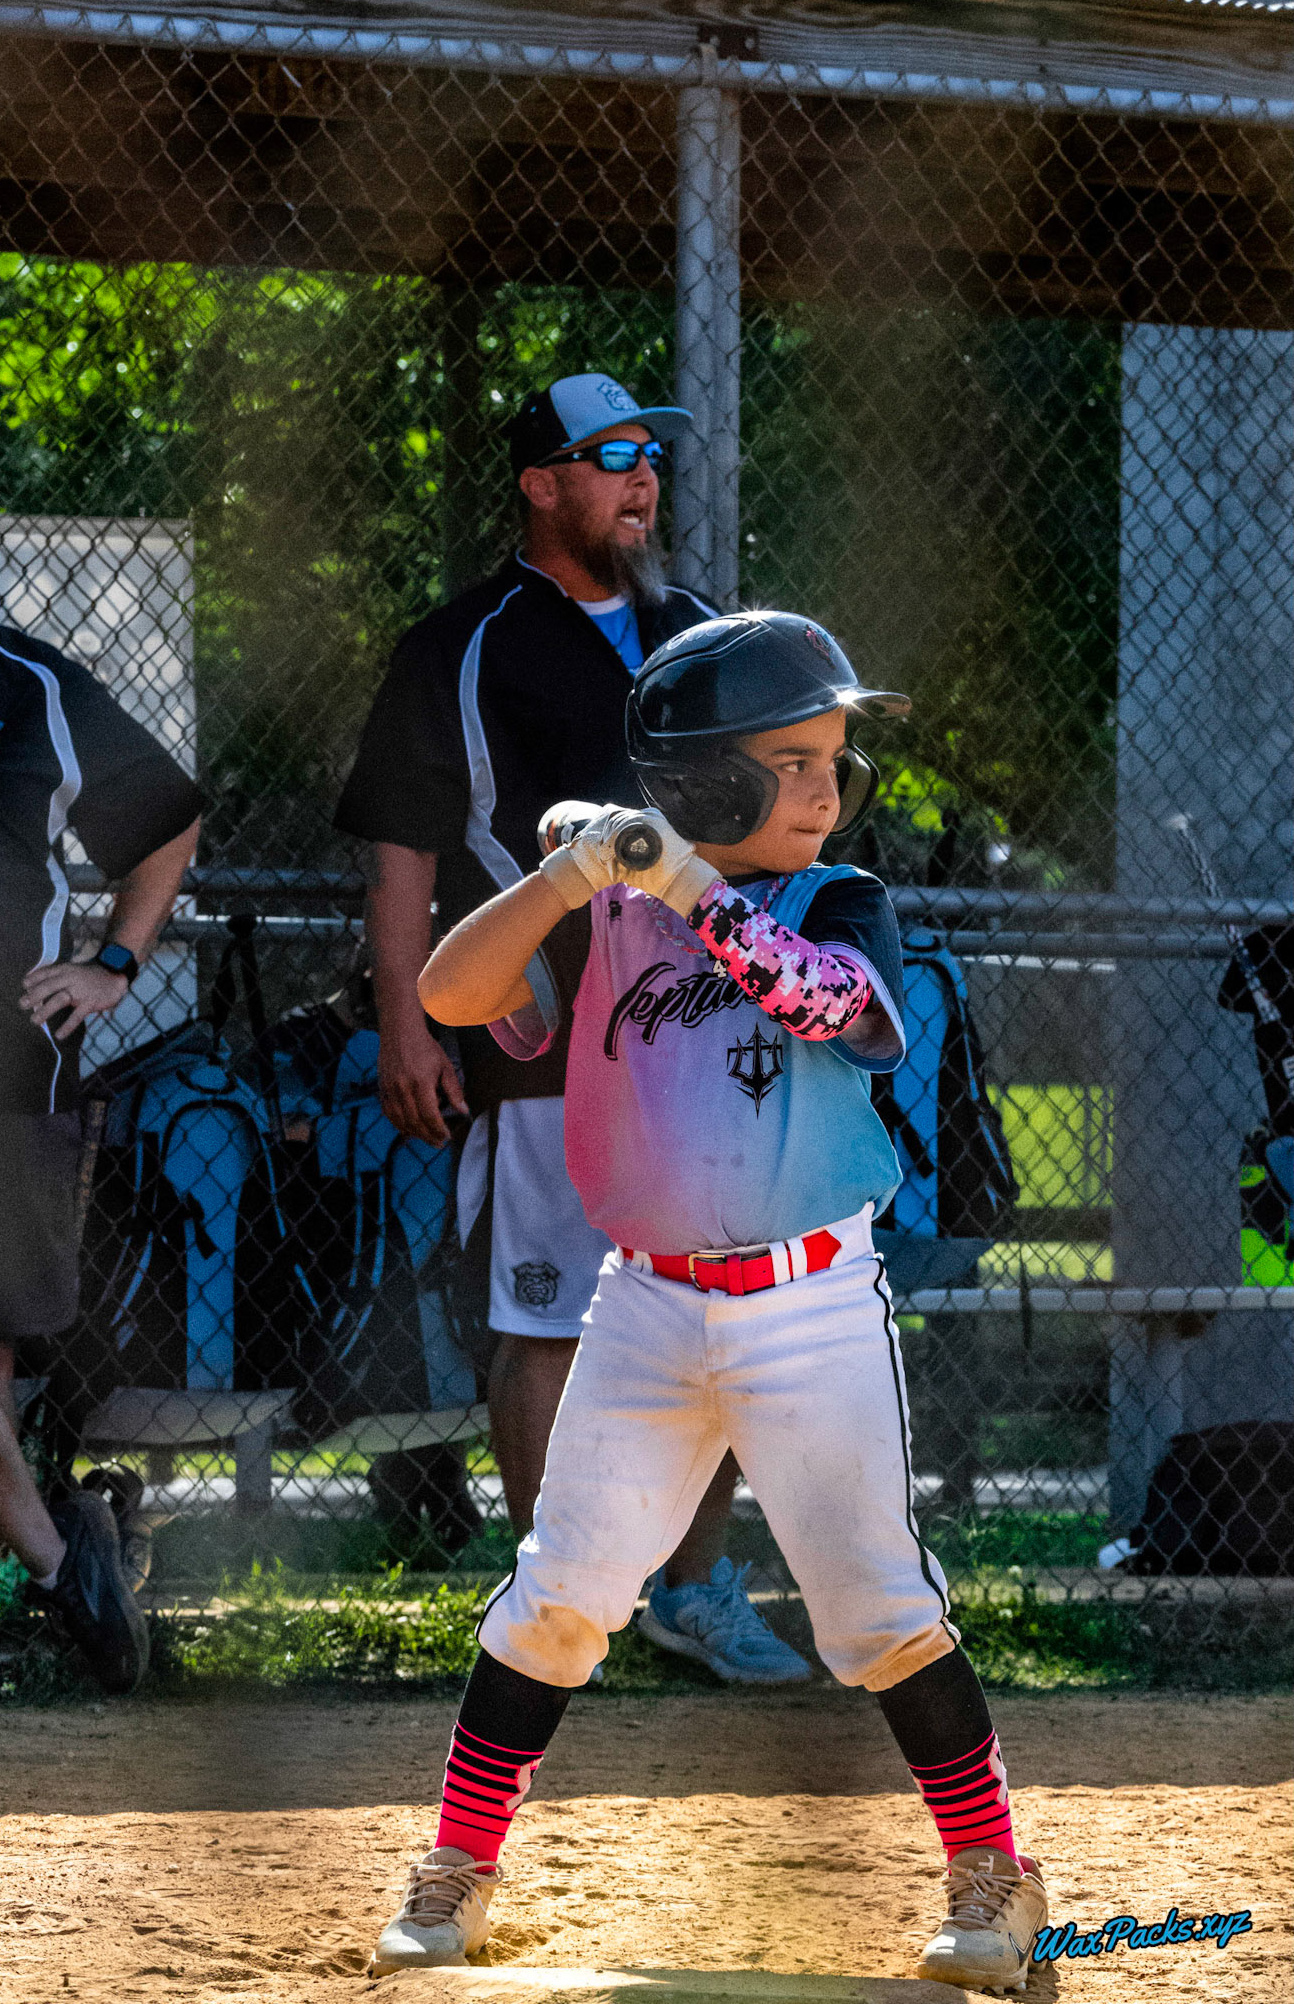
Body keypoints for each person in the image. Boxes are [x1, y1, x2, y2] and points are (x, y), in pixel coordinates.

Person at [366, 612, 1051, 1995]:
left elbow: (820, 1006)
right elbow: (451, 991)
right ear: (702, 781)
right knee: (559, 1596)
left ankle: (992, 1870)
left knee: (872, 1607)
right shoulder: (613, 905)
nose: (825, 791)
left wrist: (677, 878)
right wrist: (568, 880)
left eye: (832, 762)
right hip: (644, 1314)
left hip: (810, 1310)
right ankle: (459, 1866)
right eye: (790, 764)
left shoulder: (842, 899)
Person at [336, 373, 808, 1682]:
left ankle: (694, 1590)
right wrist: (410, 1025)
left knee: (724, 1311)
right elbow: (402, 850)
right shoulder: (464, 642)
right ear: (542, 484)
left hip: (706, 1038)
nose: (640, 478)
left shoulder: (708, 633)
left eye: (650, 454)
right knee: (549, 1323)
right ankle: (564, 1604)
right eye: (609, 458)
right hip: (544, 1035)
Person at [0, 447, 204, 1697]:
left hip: (3, 1056)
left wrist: (113, 960)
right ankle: (59, 1554)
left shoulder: (28, 682)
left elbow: (167, 818)